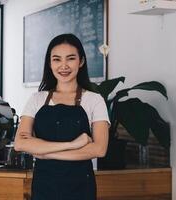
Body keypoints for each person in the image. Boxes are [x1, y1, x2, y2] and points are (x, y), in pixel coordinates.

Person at [14, 33, 110, 200]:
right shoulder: (37, 99)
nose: (63, 66)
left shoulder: (94, 100)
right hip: (44, 186)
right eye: (57, 59)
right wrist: (73, 144)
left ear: (81, 61)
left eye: (70, 59)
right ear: (50, 64)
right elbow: (20, 143)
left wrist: (44, 153)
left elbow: (99, 149)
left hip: (81, 188)